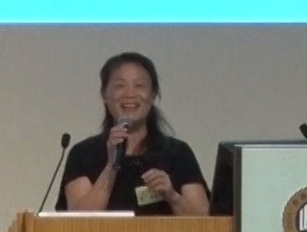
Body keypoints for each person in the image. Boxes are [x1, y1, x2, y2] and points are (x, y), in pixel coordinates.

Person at [56, 52, 210, 216]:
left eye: (139, 85)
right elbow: (77, 221)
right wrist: (111, 166)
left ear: (153, 94)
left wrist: (173, 197)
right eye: (120, 86)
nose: (130, 94)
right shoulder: (83, 154)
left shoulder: (177, 153)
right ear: (104, 95)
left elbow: (206, 222)